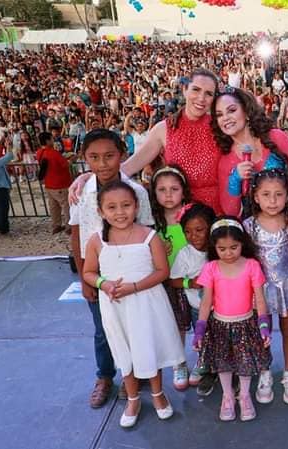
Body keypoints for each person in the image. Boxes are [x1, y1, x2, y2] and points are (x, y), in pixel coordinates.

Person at [82, 180, 184, 428]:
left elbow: (162, 271)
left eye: (126, 205)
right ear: (101, 211)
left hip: (146, 303)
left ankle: (159, 395)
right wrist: (104, 284)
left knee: (149, 347)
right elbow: (89, 272)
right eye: (112, 207)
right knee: (123, 349)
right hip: (116, 306)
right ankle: (133, 398)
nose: (120, 212)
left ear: (136, 206)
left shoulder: (149, 236)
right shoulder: (97, 240)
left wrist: (135, 287)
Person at [69, 129, 153, 409]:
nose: (102, 163)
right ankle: (105, 376)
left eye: (109, 156)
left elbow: (148, 235)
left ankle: (137, 373)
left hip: (133, 274)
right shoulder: (81, 192)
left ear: (122, 155)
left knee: (135, 326)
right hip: (98, 275)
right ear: (85, 159)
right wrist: (84, 279)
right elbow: (76, 235)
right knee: (102, 329)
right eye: (94, 157)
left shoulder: (137, 192)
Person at [70, 69, 224, 214]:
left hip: (218, 210)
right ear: (184, 89)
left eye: (209, 94)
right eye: (196, 90)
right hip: (180, 214)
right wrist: (90, 176)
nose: (201, 98)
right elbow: (130, 166)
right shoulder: (163, 129)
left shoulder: (221, 127)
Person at [192, 217, 273, 422]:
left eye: (234, 247)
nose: (228, 253)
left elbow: (260, 300)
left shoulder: (252, 266)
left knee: (245, 364)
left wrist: (264, 327)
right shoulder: (211, 268)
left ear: (242, 244)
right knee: (223, 364)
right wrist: (200, 330)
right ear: (214, 247)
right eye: (222, 249)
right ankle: (227, 396)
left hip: (246, 325)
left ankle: (244, 396)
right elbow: (206, 302)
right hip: (219, 326)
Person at [242, 168, 288, 405]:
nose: (272, 201)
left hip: (286, 286)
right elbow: (247, 263)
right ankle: (265, 371)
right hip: (260, 290)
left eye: (279, 194)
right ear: (256, 197)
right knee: (263, 332)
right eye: (266, 194)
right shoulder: (249, 226)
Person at [212, 87, 288, 225]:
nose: (225, 118)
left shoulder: (276, 137)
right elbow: (231, 213)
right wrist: (235, 179)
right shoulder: (226, 161)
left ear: (246, 111)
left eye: (231, 110)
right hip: (255, 235)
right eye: (219, 114)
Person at [149, 164, 193, 391]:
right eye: (162, 189)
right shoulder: (153, 225)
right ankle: (179, 363)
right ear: (154, 193)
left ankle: (205, 362)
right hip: (169, 285)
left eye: (174, 189)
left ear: (184, 191)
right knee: (178, 326)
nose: (168, 195)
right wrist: (156, 250)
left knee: (202, 323)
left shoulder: (191, 218)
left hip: (196, 283)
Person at [167, 203, 217, 396]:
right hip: (197, 307)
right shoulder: (185, 254)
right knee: (201, 336)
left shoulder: (219, 250)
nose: (193, 236)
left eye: (199, 230)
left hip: (222, 308)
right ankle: (202, 362)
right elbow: (174, 280)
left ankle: (220, 367)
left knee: (218, 337)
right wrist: (191, 282)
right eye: (187, 231)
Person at [36, 132, 73, 234]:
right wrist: (72, 159)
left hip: (49, 184)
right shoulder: (54, 153)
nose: (53, 140)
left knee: (54, 206)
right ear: (48, 141)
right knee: (66, 205)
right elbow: (65, 164)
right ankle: (69, 226)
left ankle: (56, 225)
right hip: (60, 183)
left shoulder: (39, 152)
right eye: (52, 139)